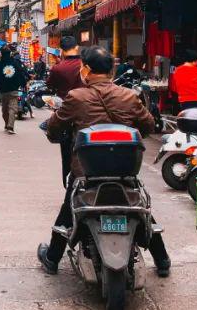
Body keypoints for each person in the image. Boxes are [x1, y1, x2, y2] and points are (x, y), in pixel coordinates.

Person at [37, 46, 170, 278]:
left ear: (86, 69)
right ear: (111, 69)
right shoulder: (129, 96)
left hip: (85, 172)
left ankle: (52, 258)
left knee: (69, 208)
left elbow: (55, 128)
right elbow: (149, 125)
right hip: (125, 170)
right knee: (141, 209)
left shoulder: (76, 97)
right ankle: (162, 260)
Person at [47, 36, 86, 180]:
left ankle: (68, 183)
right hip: (85, 112)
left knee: (66, 154)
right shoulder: (85, 66)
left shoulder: (58, 68)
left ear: (62, 50)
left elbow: (50, 85)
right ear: (76, 47)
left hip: (65, 114)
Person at [0, 46, 28, 134]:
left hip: (3, 91)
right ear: (10, 54)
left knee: (5, 110)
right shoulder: (15, 64)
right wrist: (23, 84)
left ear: (1, 54)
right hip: (13, 90)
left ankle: (8, 125)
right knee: (12, 109)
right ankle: (9, 126)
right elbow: (21, 74)